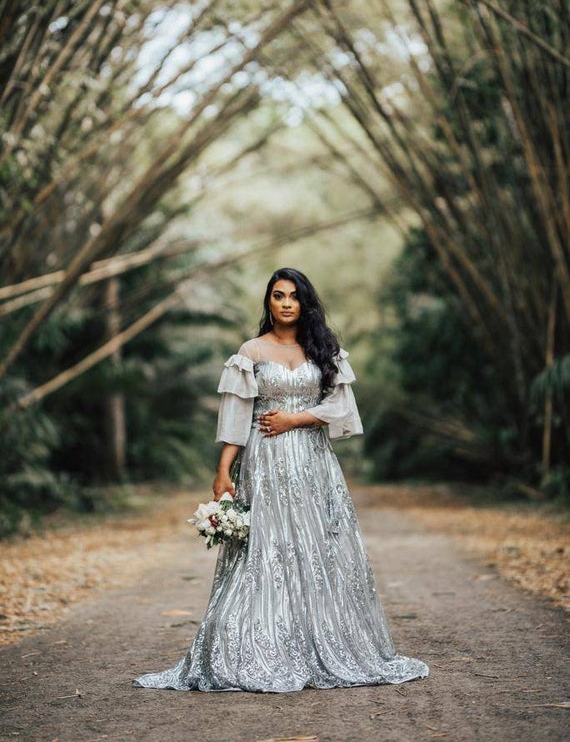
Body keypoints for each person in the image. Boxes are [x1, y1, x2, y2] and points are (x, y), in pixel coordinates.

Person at [134, 268, 428, 692]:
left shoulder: (324, 350)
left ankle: (326, 640)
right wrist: (222, 472)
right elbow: (236, 417)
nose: (286, 303)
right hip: (265, 462)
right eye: (278, 295)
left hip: (313, 463)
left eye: (294, 296)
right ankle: (255, 643)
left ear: (305, 303)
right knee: (265, 550)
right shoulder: (250, 351)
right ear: (268, 301)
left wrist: (296, 418)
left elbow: (342, 409)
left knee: (319, 547)